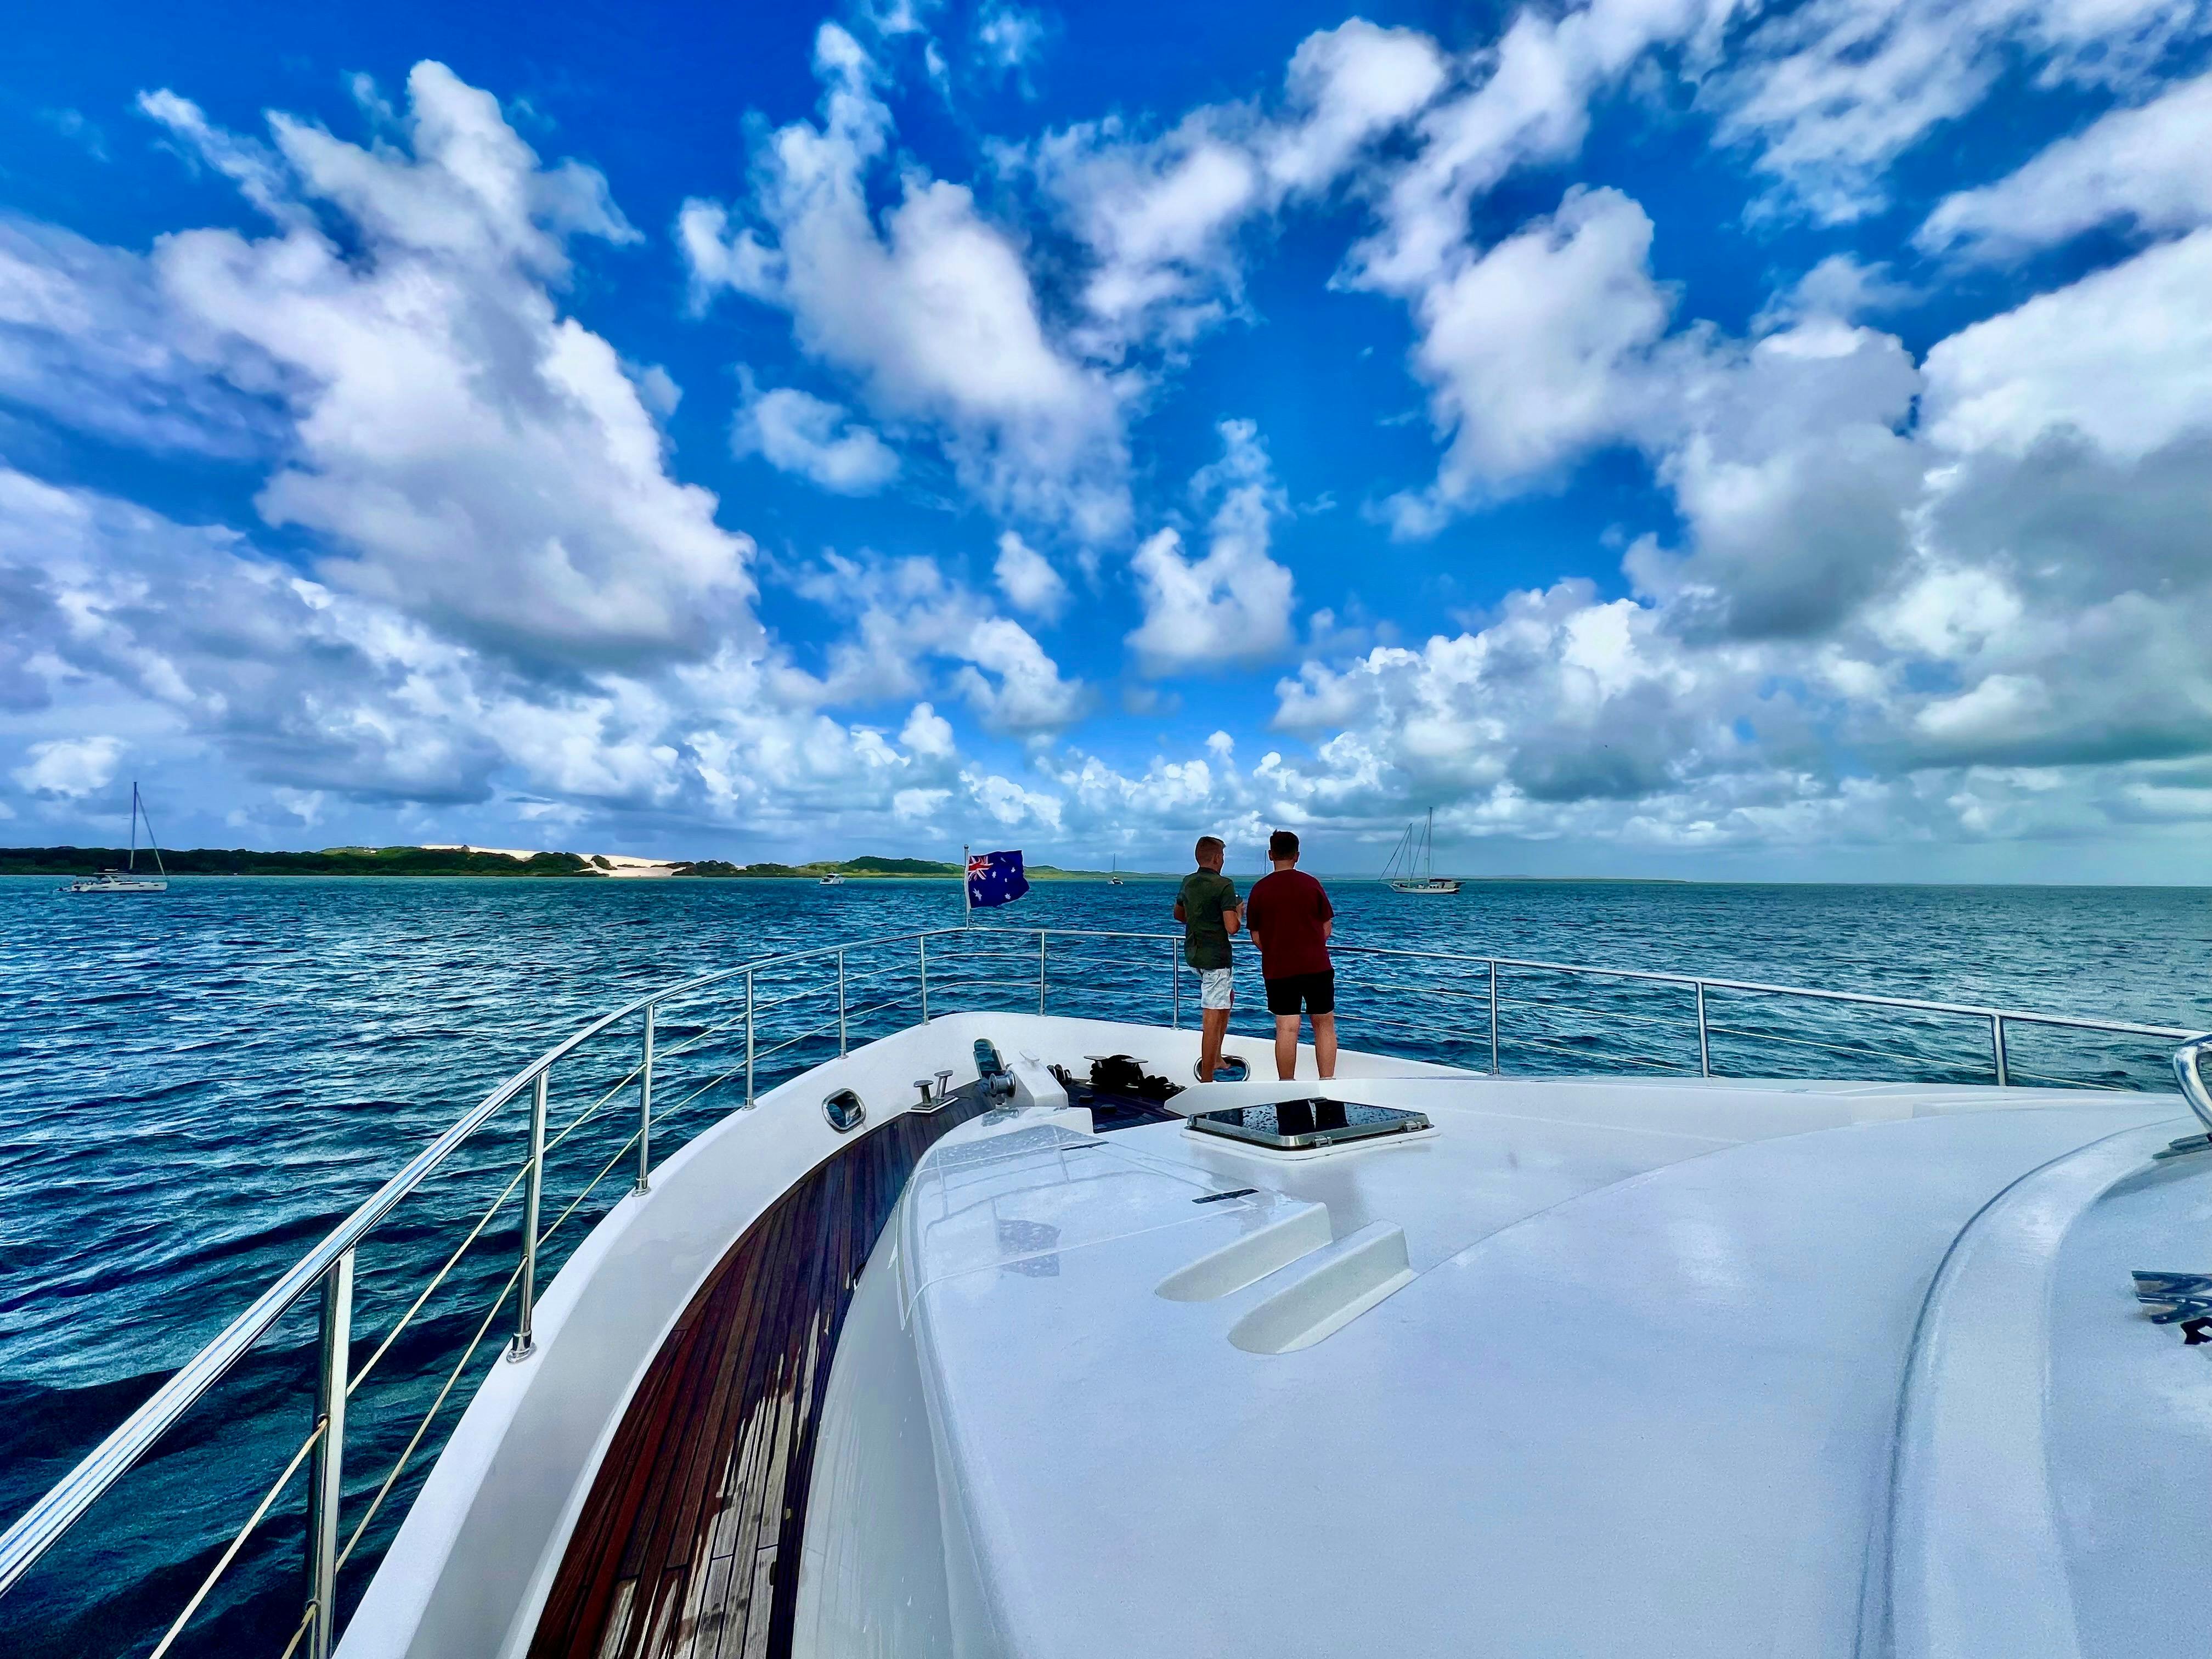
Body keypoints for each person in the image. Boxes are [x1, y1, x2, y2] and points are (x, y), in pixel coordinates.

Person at [1243, 828, 1335, 1081]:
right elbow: (1326, 927)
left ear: (1271, 854)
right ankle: (1327, 1083)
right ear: (1297, 856)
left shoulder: (1260, 890)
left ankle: (1287, 1086)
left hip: (1278, 968)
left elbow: (1256, 936)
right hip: (1317, 965)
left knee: (1286, 1027)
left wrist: (1277, 950)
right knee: (1324, 1024)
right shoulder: (1311, 884)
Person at [1172, 836, 1242, 1081]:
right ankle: (1208, 1077)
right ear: (1216, 858)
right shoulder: (1225, 885)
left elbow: (1179, 915)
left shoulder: (1188, 882)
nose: (1223, 860)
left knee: (1227, 998)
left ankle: (1217, 1057)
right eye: (1222, 856)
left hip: (1194, 954)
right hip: (1217, 958)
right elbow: (1232, 927)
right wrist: (1239, 912)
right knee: (1212, 1015)